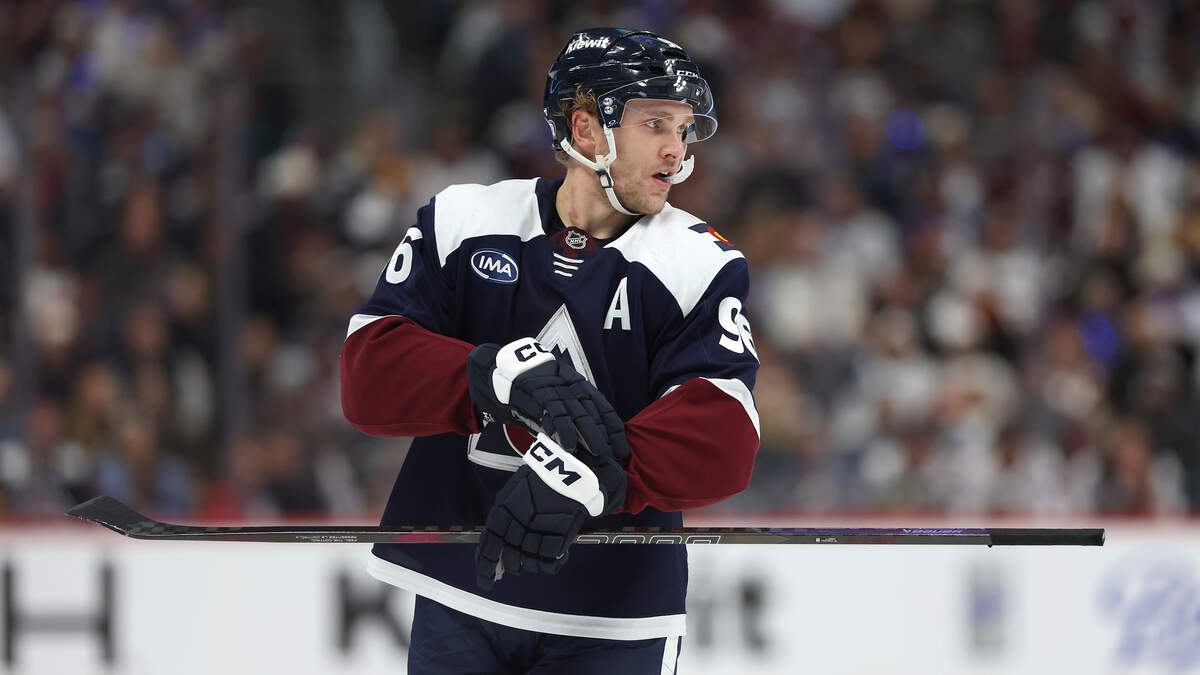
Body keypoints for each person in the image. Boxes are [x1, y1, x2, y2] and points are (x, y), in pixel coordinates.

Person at [340, 27, 760, 674]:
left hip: (614, 615)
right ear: (585, 130)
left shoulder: (700, 264)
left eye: (683, 129)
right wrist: (490, 375)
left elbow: (725, 435)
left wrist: (601, 476)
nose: (676, 150)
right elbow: (368, 376)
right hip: (461, 591)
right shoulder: (463, 220)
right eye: (655, 124)